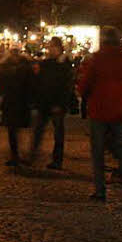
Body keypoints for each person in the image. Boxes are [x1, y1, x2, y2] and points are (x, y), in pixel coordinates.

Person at [75, 27, 122, 201]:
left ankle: (100, 190)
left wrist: (85, 96)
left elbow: (84, 85)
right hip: (121, 112)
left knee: (98, 153)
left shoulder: (96, 61)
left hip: (99, 111)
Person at [30, 37, 72, 169]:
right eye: (50, 46)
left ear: (59, 48)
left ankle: (57, 160)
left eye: (53, 46)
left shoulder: (64, 64)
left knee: (58, 133)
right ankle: (32, 155)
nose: (50, 49)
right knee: (38, 130)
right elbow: (40, 81)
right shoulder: (47, 63)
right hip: (45, 102)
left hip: (57, 104)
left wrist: (60, 103)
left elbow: (65, 86)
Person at [0, 47, 33, 166]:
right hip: (14, 103)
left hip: (20, 103)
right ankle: (17, 155)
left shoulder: (23, 68)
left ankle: (20, 155)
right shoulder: (12, 67)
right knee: (14, 131)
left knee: (18, 130)